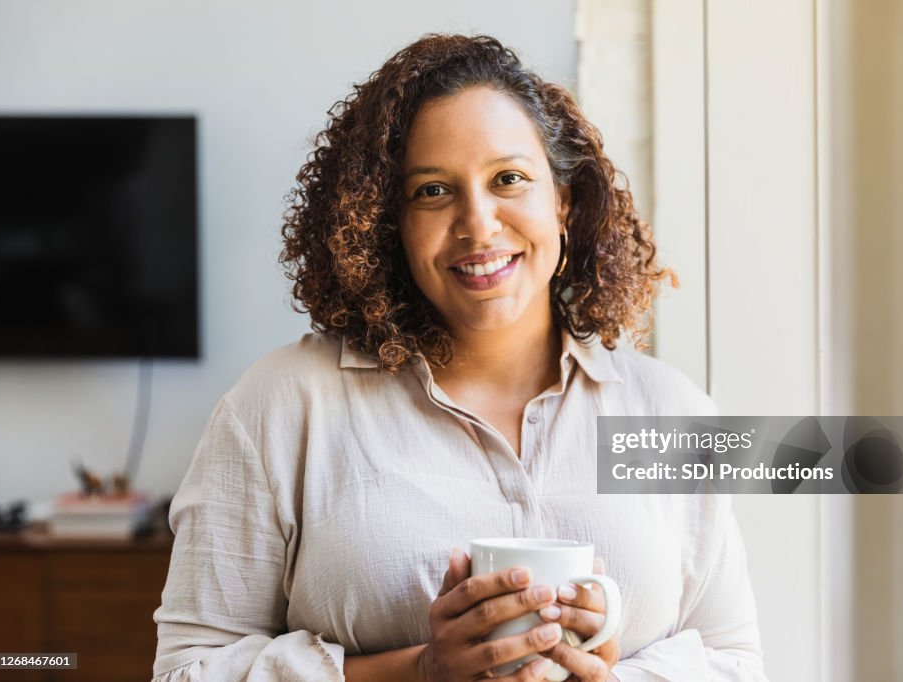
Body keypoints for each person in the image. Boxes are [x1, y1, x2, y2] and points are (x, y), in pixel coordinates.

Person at [153, 34, 767, 682]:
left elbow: (734, 662)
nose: (478, 225)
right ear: (388, 223)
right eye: (432, 192)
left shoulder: (670, 412)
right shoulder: (282, 408)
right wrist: (418, 670)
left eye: (509, 179)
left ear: (562, 200)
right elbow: (187, 672)